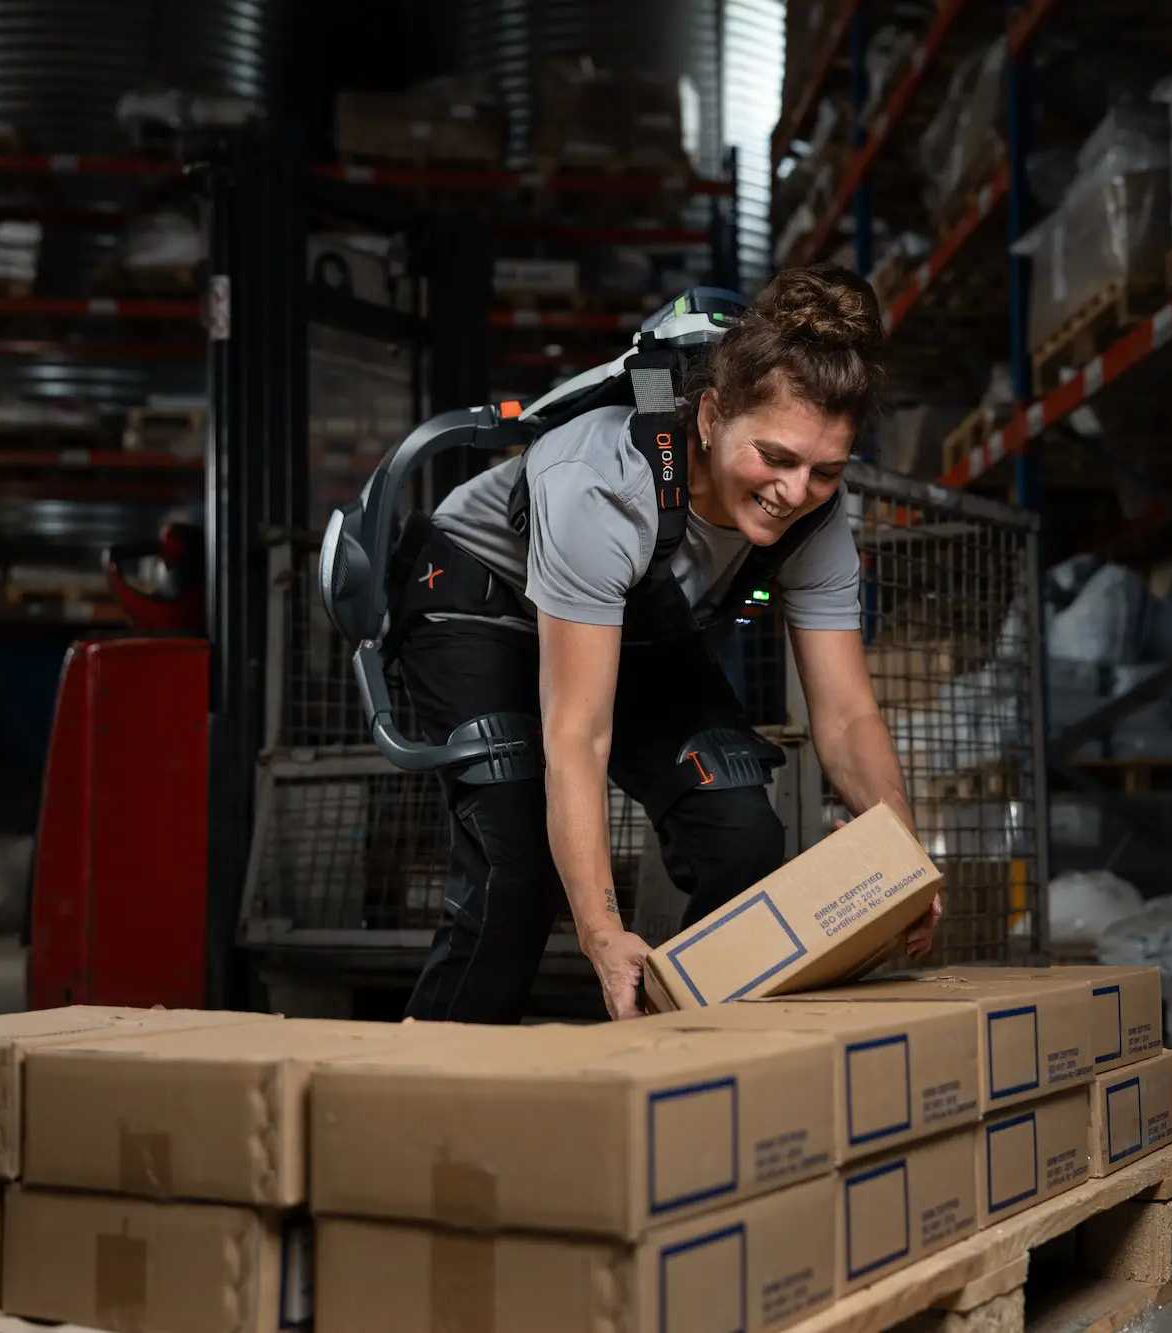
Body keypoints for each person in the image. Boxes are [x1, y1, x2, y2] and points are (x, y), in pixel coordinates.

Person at [388, 263, 939, 1023]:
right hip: (481, 605)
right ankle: (425, 1096)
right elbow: (576, 735)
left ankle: (684, 1051)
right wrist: (603, 933)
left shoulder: (815, 514)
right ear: (710, 418)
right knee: (516, 869)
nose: (794, 491)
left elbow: (846, 717)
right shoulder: (605, 485)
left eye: (825, 470)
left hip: (631, 619)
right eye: (775, 457)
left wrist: (902, 858)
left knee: (743, 836)